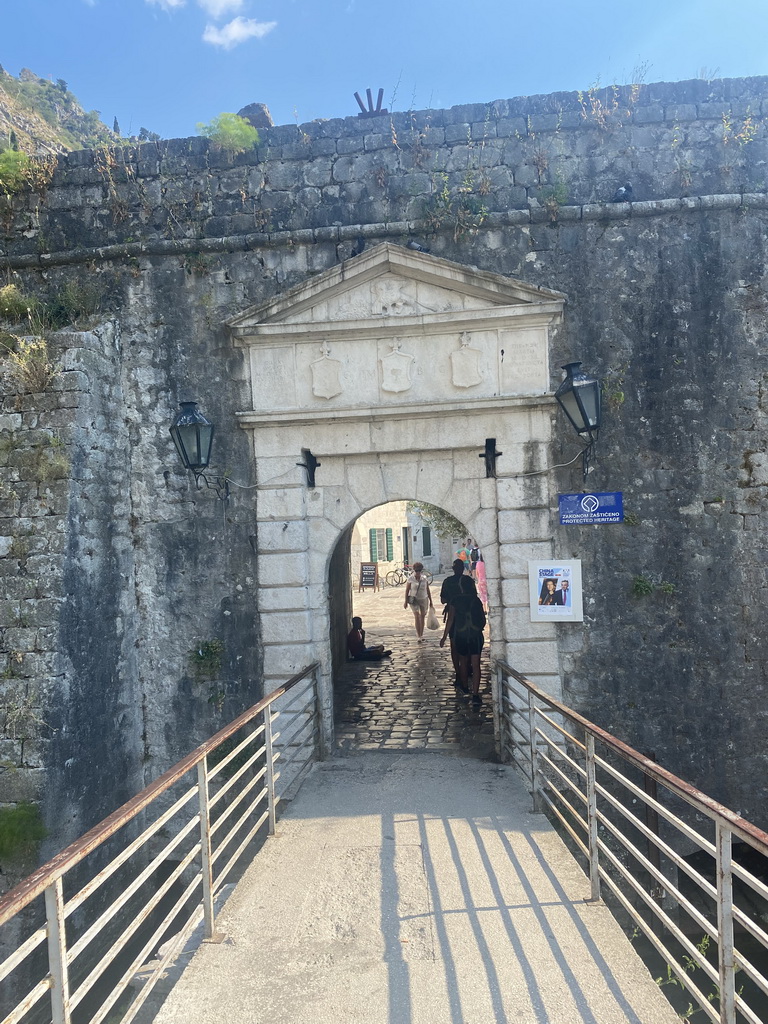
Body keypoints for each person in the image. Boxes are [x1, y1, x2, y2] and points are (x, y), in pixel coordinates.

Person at [440, 589, 486, 707]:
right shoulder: (476, 600)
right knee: (476, 665)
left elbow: (450, 620)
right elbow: (483, 619)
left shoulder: (455, 600)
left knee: (463, 662)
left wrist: (444, 637)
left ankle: (464, 687)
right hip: (475, 635)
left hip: (461, 635)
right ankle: (475, 694)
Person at [440, 560, 478, 686]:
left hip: (455, 616)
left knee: (455, 646)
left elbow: (443, 599)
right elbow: (475, 596)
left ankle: (458, 673)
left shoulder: (447, 581)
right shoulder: (469, 581)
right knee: (471, 646)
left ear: (453, 568)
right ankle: (468, 668)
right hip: (471, 618)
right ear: (463, 568)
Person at [403, 562, 433, 640]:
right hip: (414, 599)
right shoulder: (411, 579)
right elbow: (407, 590)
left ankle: (421, 634)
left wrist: (431, 601)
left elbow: (427, 589)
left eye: (419, 570)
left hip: (423, 598)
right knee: (417, 615)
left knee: (422, 616)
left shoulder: (424, 578)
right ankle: (418, 635)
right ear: (414, 570)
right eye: (416, 570)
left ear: (421, 570)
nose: (418, 572)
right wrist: (406, 601)